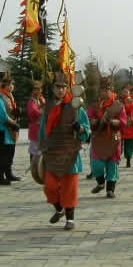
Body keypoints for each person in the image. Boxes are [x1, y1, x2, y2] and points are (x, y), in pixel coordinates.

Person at [40, 72, 91, 230]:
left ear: (67, 88)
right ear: (53, 88)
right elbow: (43, 130)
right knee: (49, 186)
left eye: (63, 87)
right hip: (52, 152)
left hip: (70, 151)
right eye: (58, 87)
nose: (61, 90)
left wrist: (80, 128)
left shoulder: (76, 107)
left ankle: (70, 219)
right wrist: (41, 149)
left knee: (69, 188)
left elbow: (87, 129)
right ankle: (59, 209)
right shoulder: (48, 107)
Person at [89, 77, 127, 198]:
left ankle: (110, 190)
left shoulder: (118, 106)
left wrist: (113, 121)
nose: (104, 93)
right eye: (102, 90)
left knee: (112, 165)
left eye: (107, 90)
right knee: (96, 164)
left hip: (113, 139)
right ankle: (100, 182)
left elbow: (123, 122)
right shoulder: (95, 105)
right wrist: (94, 121)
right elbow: (89, 118)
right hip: (98, 138)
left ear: (112, 91)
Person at [0, 73, 22, 185]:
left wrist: (16, 112)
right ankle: (0, 177)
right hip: (4, 129)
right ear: (5, 85)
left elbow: (10, 112)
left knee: (10, 152)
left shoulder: (9, 96)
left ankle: (9, 174)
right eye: (10, 84)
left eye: (12, 84)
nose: (12, 86)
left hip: (11, 130)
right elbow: (2, 115)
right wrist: (13, 124)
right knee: (3, 153)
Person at [26, 80, 45, 164]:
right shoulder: (31, 102)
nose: (37, 91)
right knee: (34, 150)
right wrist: (43, 111)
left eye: (39, 89)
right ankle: (34, 166)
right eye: (35, 89)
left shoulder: (41, 100)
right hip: (35, 128)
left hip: (41, 128)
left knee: (41, 150)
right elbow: (34, 112)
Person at [120, 86, 133, 168]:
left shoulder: (132, 101)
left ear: (129, 93)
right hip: (120, 122)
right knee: (118, 141)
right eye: (123, 91)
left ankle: (128, 158)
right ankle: (117, 157)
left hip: (129, 122)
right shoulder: (118, 101)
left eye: (126, 92)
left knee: (128, 141)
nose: (125, 93)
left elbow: (132, 110)